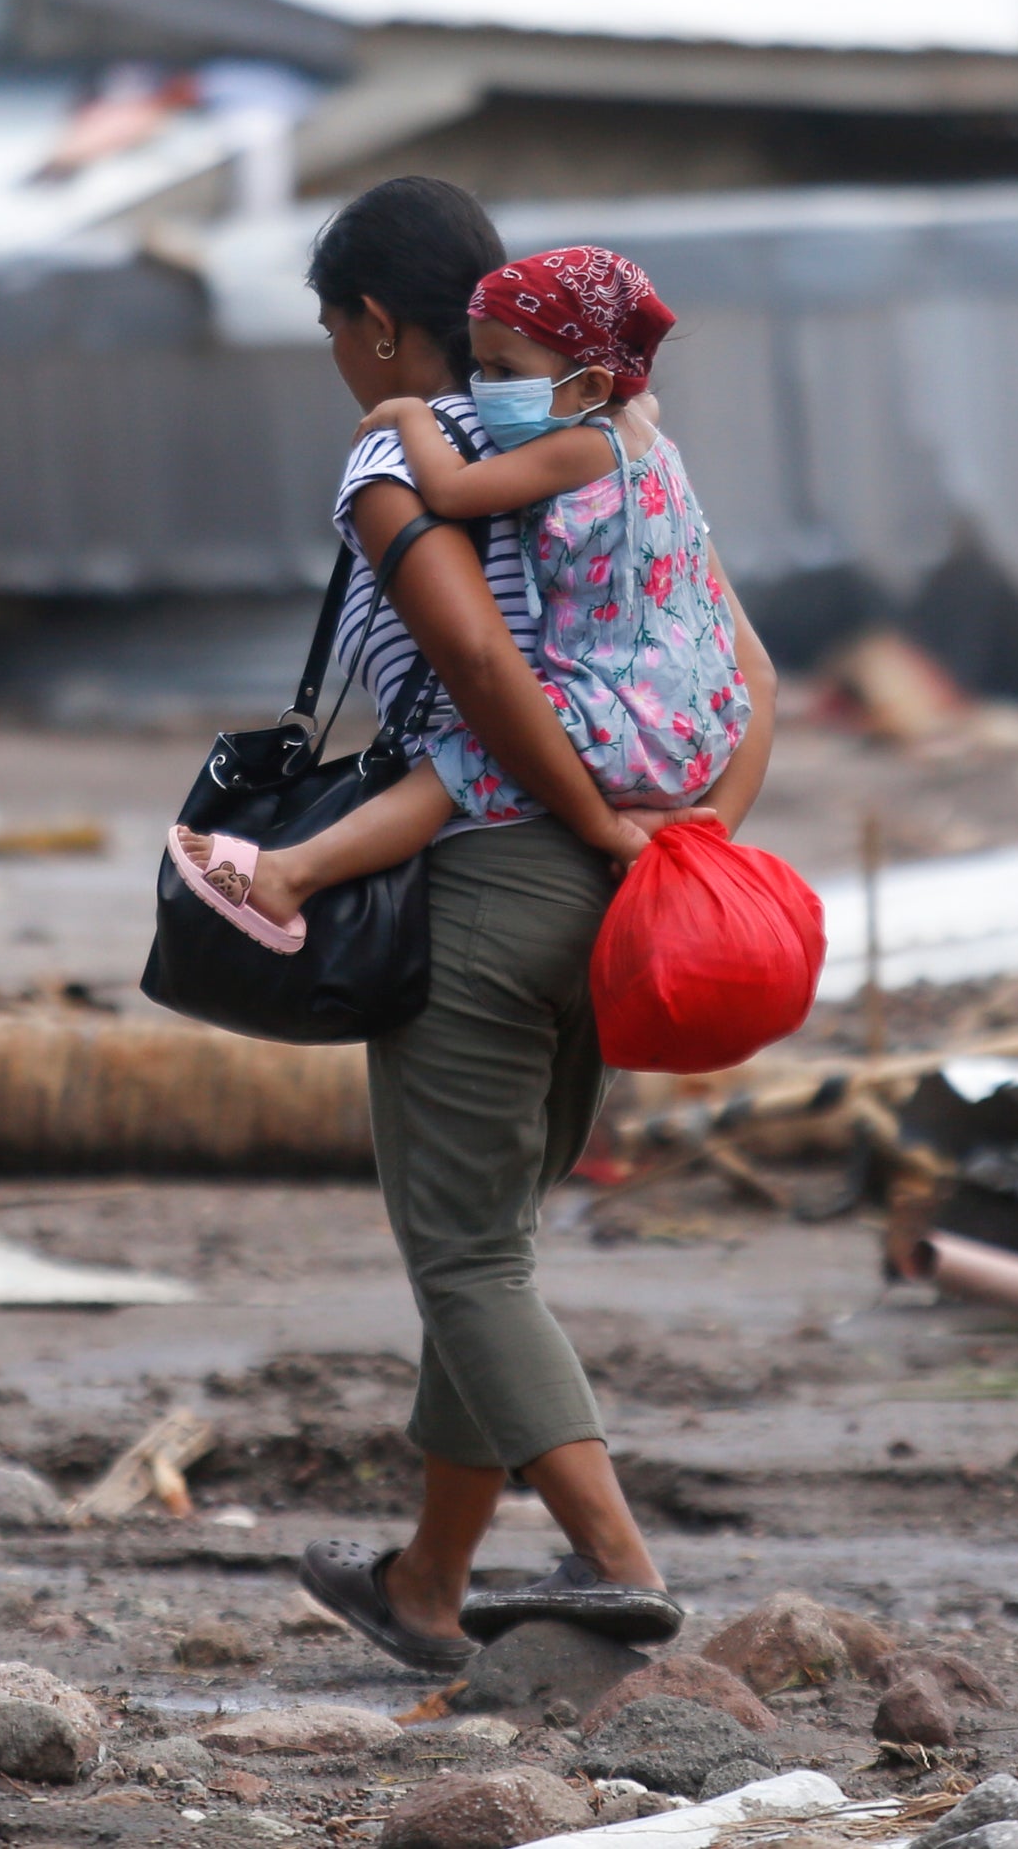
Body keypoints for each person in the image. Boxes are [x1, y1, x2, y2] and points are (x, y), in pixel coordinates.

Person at [277, 181, 781, 1674]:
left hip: (498, 878)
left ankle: (617, 1563)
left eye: (332, 328)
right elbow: (746, 670)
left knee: (466, 1258)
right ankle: (429, 1583)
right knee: (487, 1242)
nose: (340, 359)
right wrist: (676, 846)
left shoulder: (395, 452)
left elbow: (481, 663)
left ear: (377, 321)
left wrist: (576, 820)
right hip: (617, 896)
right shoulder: (627, 445)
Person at [165, 243, 750, 945]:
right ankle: (646, 819)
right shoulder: (644, 431)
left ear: (592, 388)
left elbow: (450, 497)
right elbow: (763, 676)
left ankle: (291, 874)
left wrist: (409, 416)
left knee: (456, 762)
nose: (482, 387)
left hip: (617, 720)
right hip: (691, 723)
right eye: (478, 367)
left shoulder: (581, 446)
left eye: (503, 371)